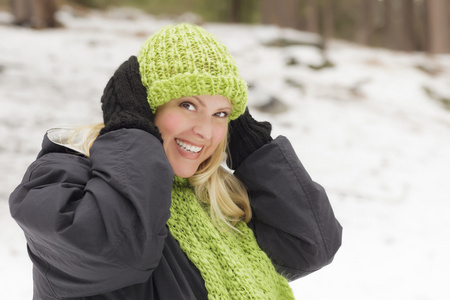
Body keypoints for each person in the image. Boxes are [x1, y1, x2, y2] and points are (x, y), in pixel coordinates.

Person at [9, 23, 342, 300]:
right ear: (144, 106)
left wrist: (250, 143)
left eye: (220, 114)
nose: (204, 130)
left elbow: (311, 245)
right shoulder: (63, 177)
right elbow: (114, 249)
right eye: (188, 105)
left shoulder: (214, 198)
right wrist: (130, 130)